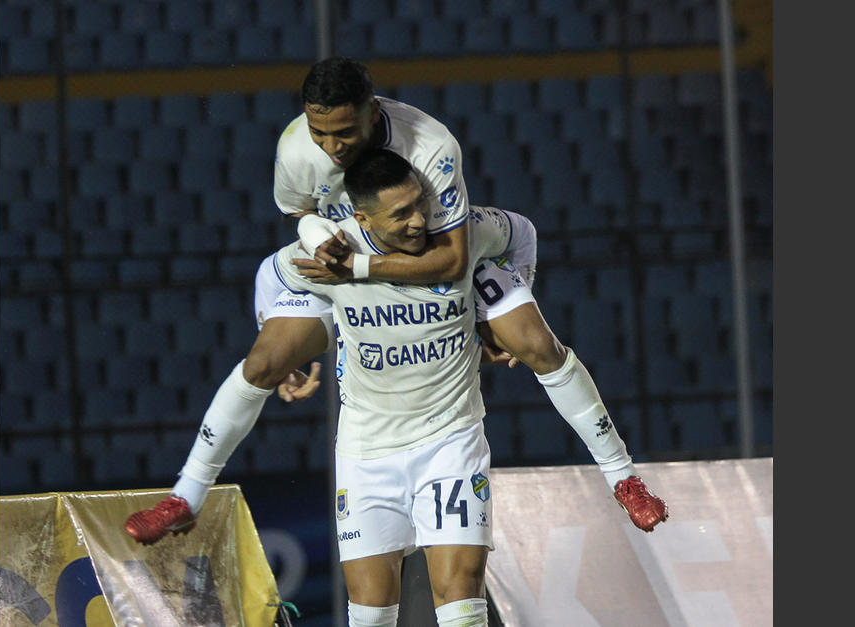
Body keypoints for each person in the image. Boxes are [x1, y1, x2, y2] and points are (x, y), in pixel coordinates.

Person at [124, 57, 667, 548]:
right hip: (355, 277)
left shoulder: (430, 148)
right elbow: (289, 236)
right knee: (264, 363)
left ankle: (624, 478)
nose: (332, 147)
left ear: (373, 111)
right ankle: (185, 498)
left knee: (537, 345)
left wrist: (497, 302)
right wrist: (277, 312)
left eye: (344, 132)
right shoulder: (297, 150)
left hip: (431, 270)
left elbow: (457, 258)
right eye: (320, 133)